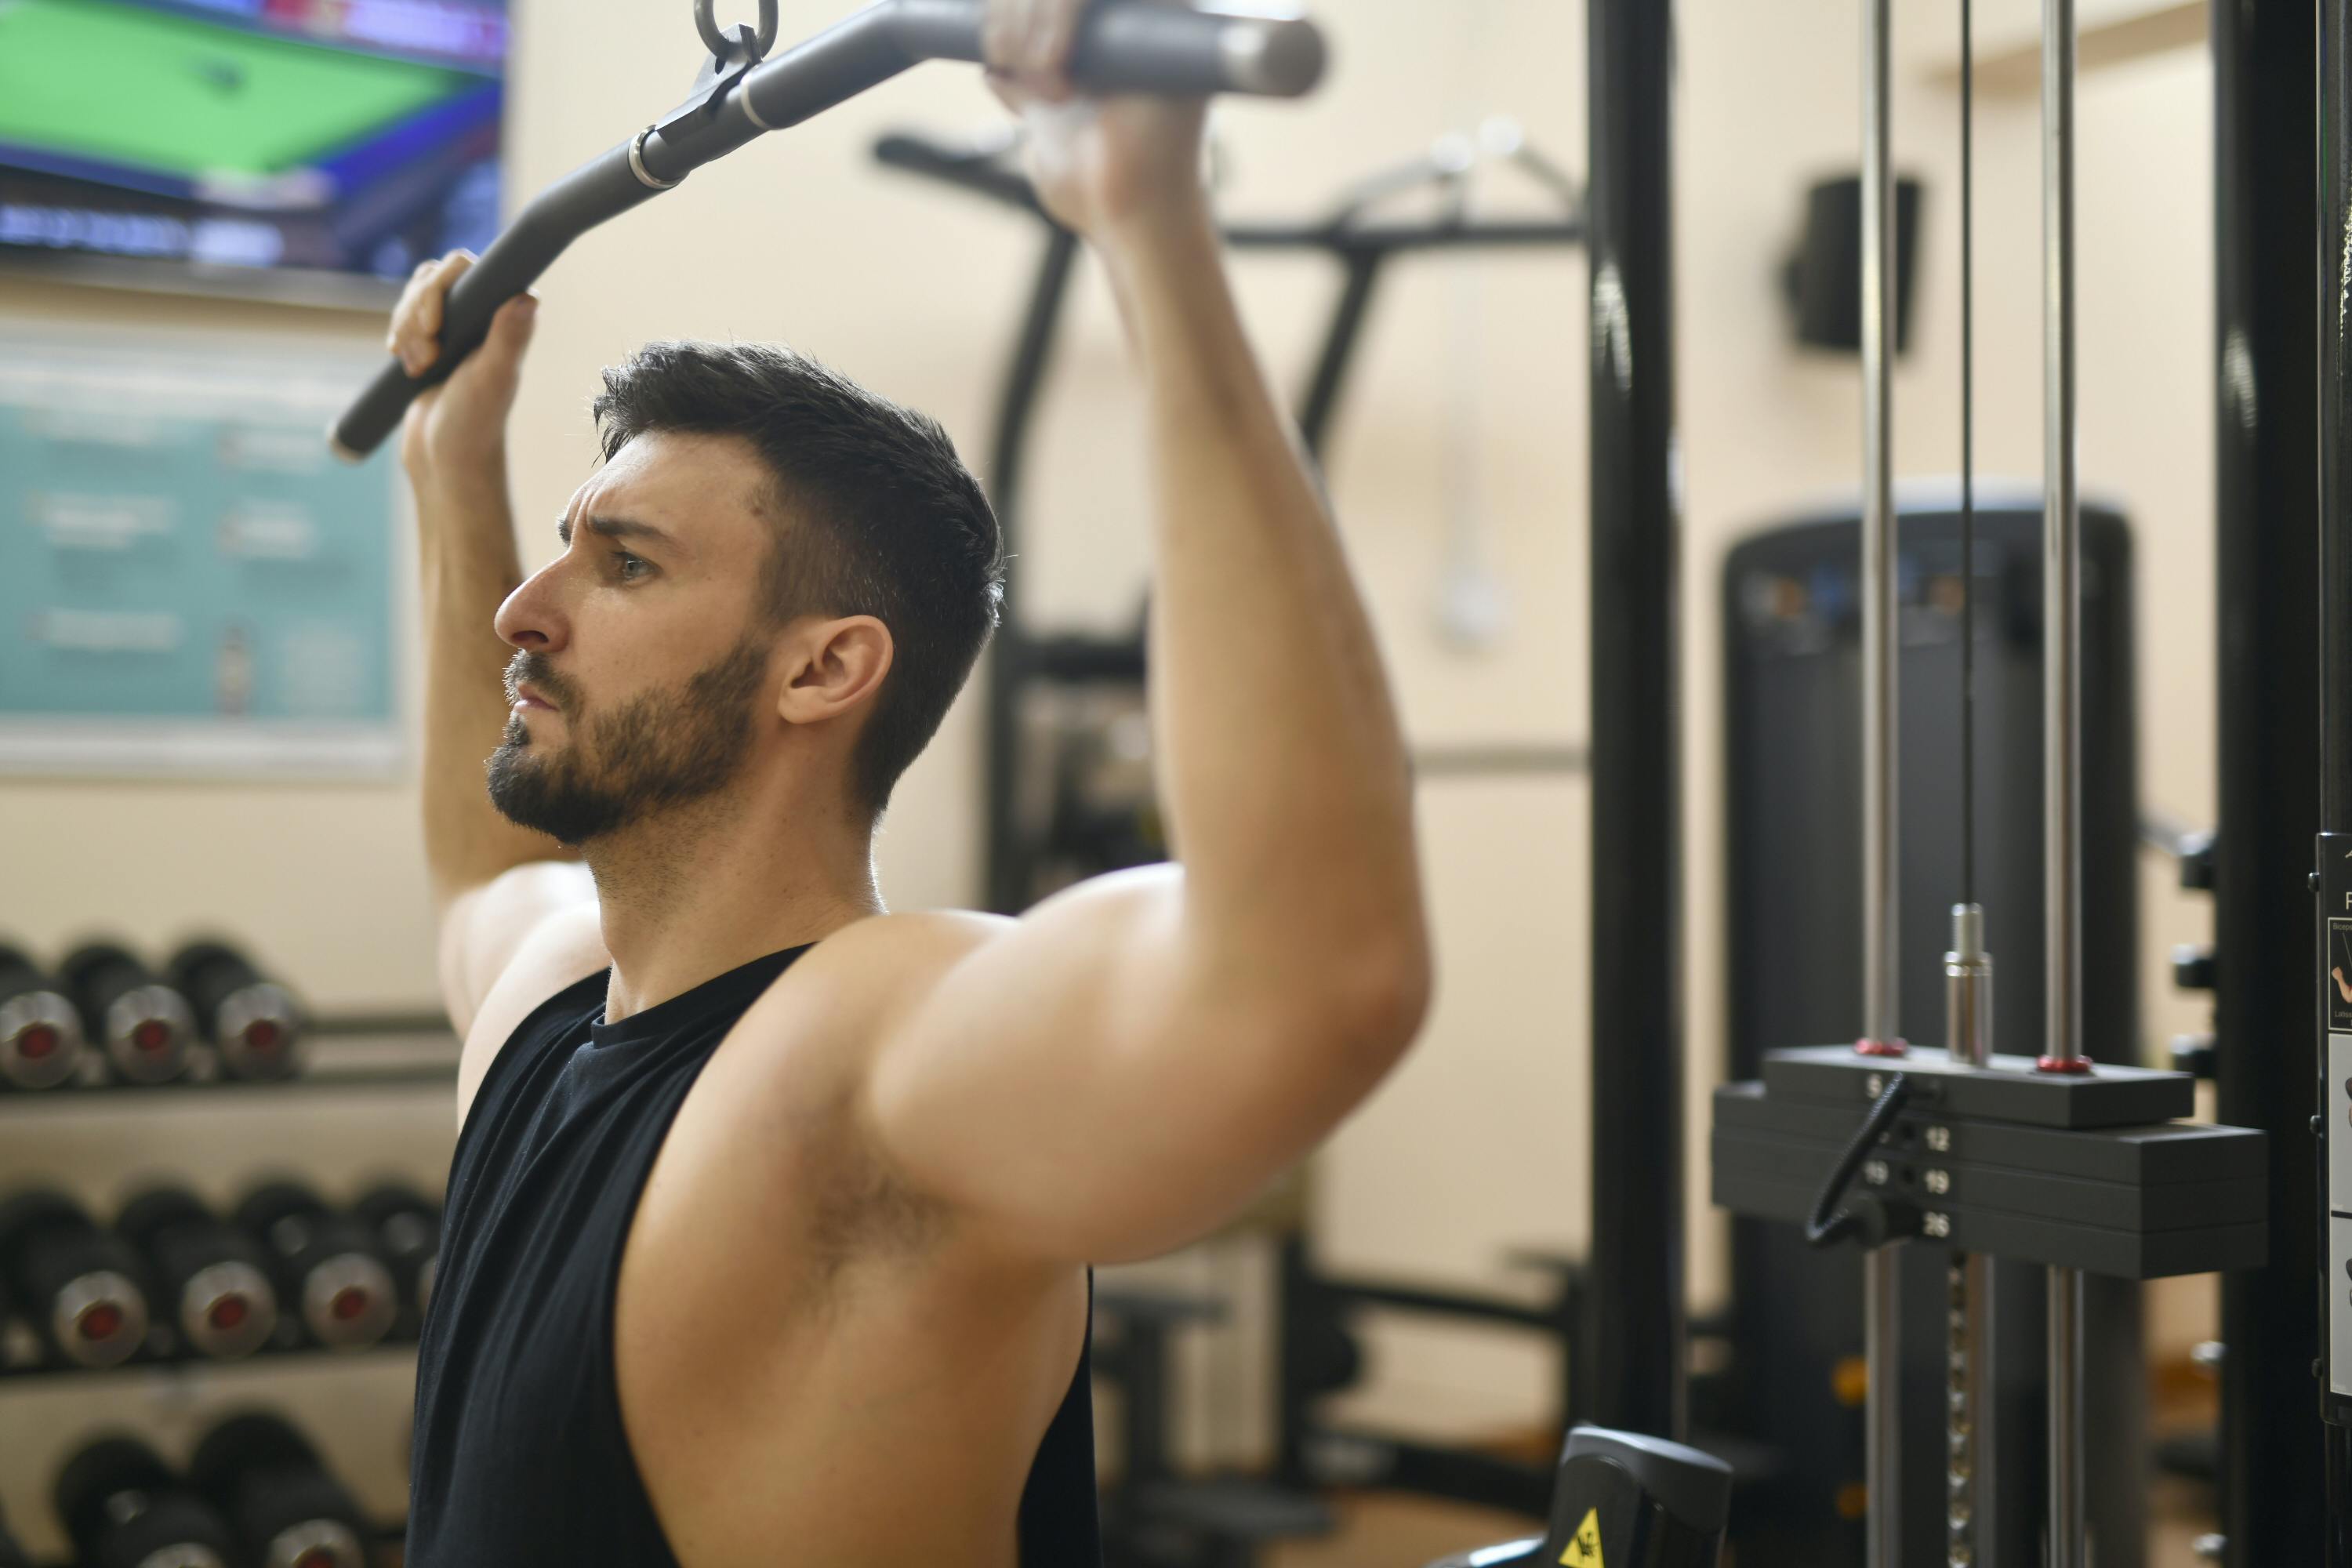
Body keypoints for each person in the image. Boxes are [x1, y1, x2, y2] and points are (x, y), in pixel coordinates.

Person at [391, 2, 1429, 1562]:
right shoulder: (550, 985)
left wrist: (1148, 226)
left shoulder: (867, 1055)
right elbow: (482, 863)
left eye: (623, 565)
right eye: (556, 550)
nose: (521, 613)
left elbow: (1312, 979)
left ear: (824, 668)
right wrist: (452, 466)